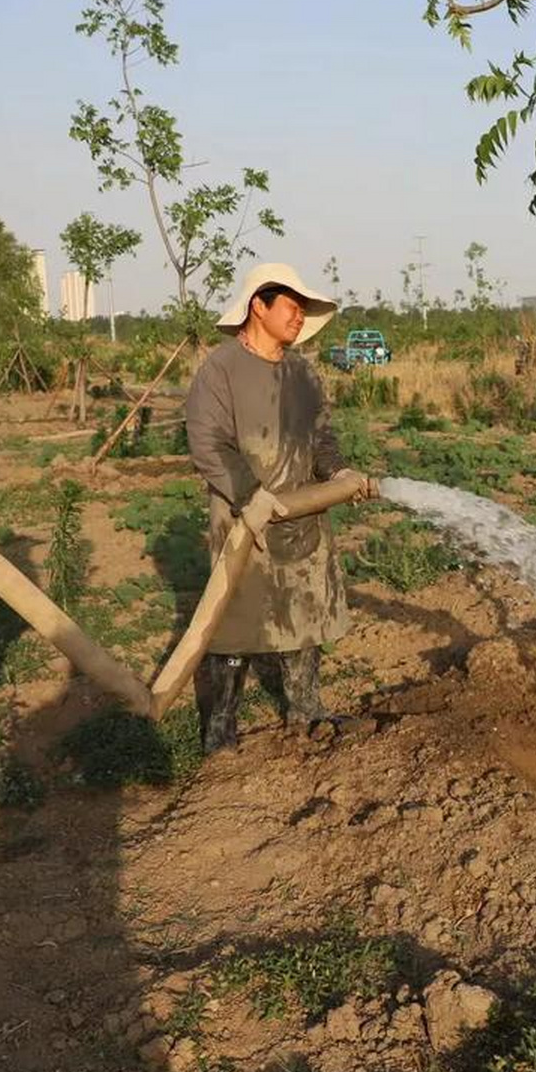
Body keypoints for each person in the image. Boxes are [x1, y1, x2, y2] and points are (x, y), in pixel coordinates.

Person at [186, 263, 373, 754]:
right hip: (244, 516)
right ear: (258, 307)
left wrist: (337, 473)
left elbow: (320, 436)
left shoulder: (301, 372)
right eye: (292, 307)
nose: (298, 318)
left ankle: (306, 712)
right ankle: (220, 732)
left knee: (304, 612)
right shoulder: (220, 370)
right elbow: (208, 443)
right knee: (234, 625)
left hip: (303, 511)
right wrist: (251, 495)